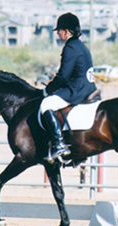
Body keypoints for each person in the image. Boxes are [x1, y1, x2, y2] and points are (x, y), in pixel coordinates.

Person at [40, 12, 97, 161]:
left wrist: (48, 89)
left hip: (77, 90)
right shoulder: (81, 46)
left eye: (59, 30)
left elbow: (63, 75)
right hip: (88, 87)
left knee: (46, 105)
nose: (58, 33)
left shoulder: (70, 47)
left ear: (66, 31)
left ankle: (58, 144)